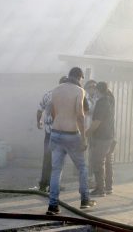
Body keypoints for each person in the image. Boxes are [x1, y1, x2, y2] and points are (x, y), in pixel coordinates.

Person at [45, 66, 96, 215]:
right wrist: (83, 138)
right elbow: (80, 115)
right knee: (82, 168)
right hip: (71, 134)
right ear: (79, 77)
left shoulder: (56, 89)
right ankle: (85, 200)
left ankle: (53, 206)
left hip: (55, 133)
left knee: (56, 170)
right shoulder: (79, 91)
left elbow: (53, 112)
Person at [35, 75, 69, 192]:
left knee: (48, 159)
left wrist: (38, 121)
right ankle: (54, 185)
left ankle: (43, 185)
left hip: (49, 133)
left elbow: (39, 110)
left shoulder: (48, 94)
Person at [86, 81, 115, 197]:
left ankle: (100, 189)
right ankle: (108, 187)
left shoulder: (101, 102)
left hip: (101, 137)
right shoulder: (110, 99)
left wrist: (87, 133)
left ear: (98, 90)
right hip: (109, 136)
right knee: (107, 162)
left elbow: (97, 121)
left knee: (97, 162)